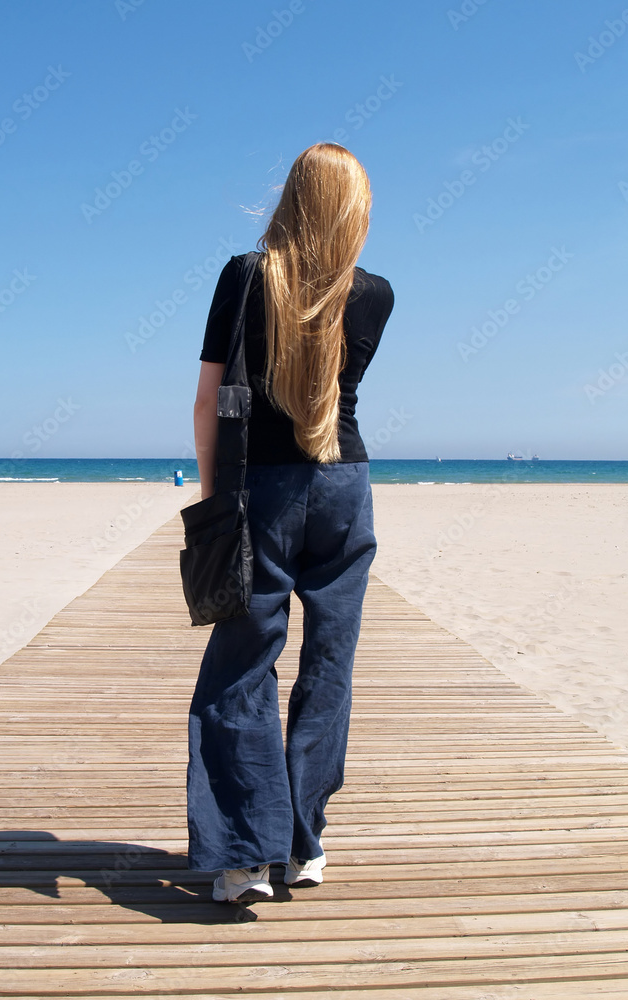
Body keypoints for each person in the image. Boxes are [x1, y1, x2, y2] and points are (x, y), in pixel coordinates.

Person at [188, 142, 394, 903]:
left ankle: (245, 855)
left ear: (290, 198)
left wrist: (215, 501)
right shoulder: (376, 294)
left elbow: (210, 401)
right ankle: (304, 844)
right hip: (345, 484)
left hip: (262, 489)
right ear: (355, 211)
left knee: (242, 666)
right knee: (328, 667)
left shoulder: (245, 277)